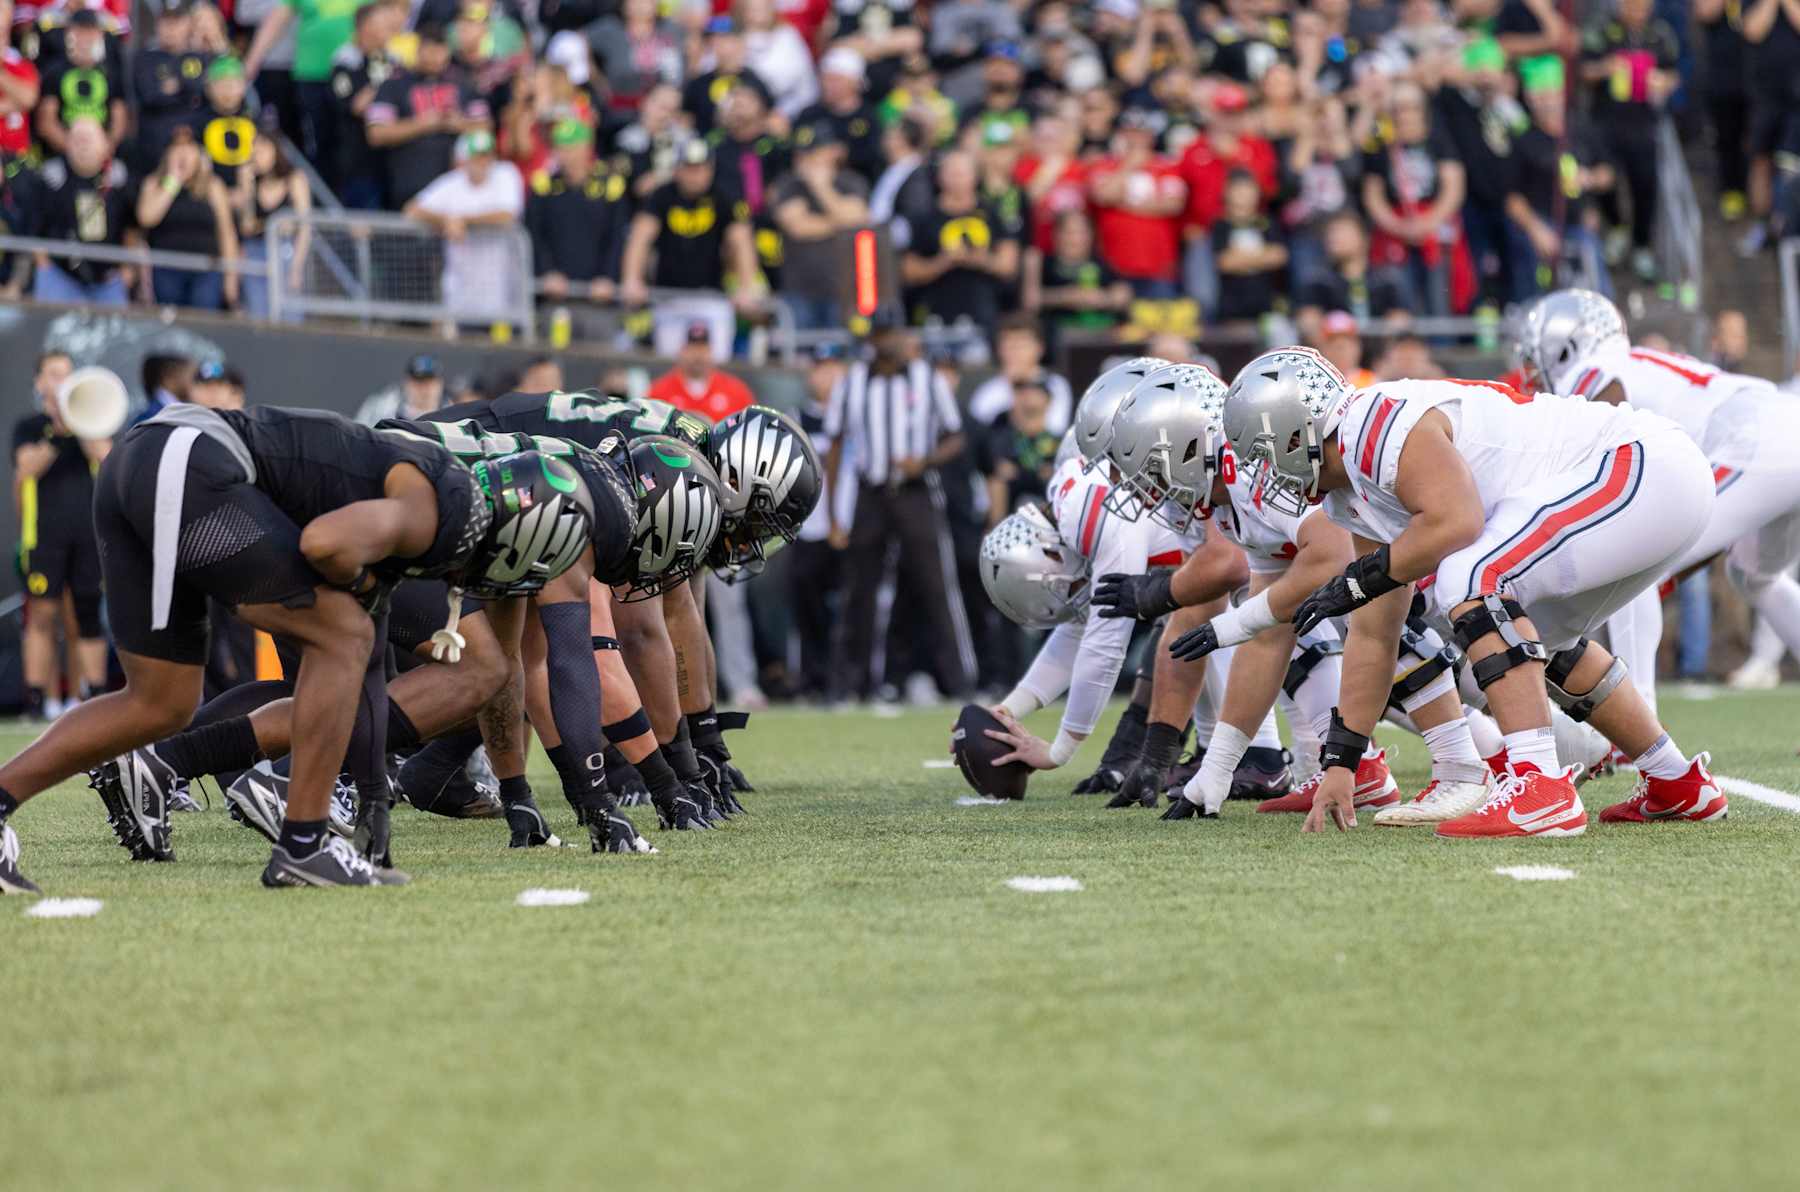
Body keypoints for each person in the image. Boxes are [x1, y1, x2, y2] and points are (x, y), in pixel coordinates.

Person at [0, 404, 584, 894]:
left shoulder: (441, 495)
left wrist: (377, 793)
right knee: (345, 634)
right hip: (188, 458)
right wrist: (359, 588)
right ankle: (303, 845)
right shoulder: (444, 506)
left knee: (160, 704)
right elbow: (323, 542)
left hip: (153, 461)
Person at [1223, 347, 1722, 838]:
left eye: (1264, 454)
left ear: (1298, 431)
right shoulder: (1351, 493)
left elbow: (1456, 523)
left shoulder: (1370, 425)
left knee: (1467, 576)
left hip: (1644, 464)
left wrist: (1361, 578)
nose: (1266, 473)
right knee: (1539, 639)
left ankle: (1539, 786)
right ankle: (1676, 780)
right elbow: (1375, 637)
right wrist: (1341, 764)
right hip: (1645, 483)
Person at [1521, 289, 1800, 696]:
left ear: (1566, 345)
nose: (1532, 370)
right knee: (1754, 574)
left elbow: (1606, 434)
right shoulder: (1637, 362)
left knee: (1634, 566)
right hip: (1777, 427)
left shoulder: (1592, 371)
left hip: (1757, 441)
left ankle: (1638, 729)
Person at [824, 315, 975, 702]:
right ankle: (851, 685)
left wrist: (924, 461)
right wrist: (833, 514)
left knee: (937, 584)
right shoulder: (852, 382)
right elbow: (836, 446)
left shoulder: (928, 379)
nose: (889, 341)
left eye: (895, 332)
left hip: (916, 490)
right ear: (873, 339)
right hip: (869, 492)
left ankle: (959, 681)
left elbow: (955, 435)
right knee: (860, 588)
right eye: (882, 334)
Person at [13, 351, 108, 721]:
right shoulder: (30, 426)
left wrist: (80, 423)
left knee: (87, 613)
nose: (61, 381)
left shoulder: (91, 424)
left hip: (89, 535)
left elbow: (108, 455)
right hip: (44, 536)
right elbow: (26, 468)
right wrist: (56, 430)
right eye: (53, 374)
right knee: (42, 615)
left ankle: (95, 697)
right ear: (39, 382)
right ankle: (36, 700)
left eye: (67, 374)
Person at [618, 138, 764, 353]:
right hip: (668, 297)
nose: (695, 175)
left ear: (710, 169)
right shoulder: (662, 195)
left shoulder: (723, 196)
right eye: (689, 168)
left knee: (716, 363)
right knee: (669, 364)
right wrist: (632, 279)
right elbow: (640, 237)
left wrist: (746, 287)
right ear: (678, 169)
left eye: (701, 168)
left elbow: (741, 240)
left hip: (712, 298)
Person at [1578, 0, 1677, 281]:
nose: (1638, 11)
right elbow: (1584, 70)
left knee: (1646, 184)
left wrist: (1662, 81)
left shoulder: (1659, 33)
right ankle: (1616, 226)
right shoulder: (1601, 29)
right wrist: (1606, 68)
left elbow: (1673, 72)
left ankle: (1642, 244)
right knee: (1604, 178)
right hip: (1606, 122)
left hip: (1644, 122)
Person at [404, 129, 526, 326]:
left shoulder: (506, 173)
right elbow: (412, 210)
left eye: (487, 155)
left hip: (503, 296)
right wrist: (446, 221)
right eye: (477, 157)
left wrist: (462, 221)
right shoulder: (452, 183)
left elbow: (507, 215)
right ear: (464, 159)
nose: (484, 162)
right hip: (460, 295)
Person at [364, 22, 491, 209]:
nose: (435, 57)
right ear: (419, 49)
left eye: (440, 51)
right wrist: (423, 124)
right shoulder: (395, 84)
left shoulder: (464, 84)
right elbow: (376, 133)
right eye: (430, 50)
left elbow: (486, 126)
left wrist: (456, 123)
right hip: (405, 185)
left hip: (454, 189)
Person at [786, 342, 849, 700]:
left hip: (849, 527)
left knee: (850, 610)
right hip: (808, 526)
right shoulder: (797, 417)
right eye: (820, 368)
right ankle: (809, 678)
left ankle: (846, 680)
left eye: (834, 367)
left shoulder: (856, 416)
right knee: (806, 608)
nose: (828, 376)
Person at [900, 148, 1020, 337]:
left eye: (962, 173)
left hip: (983, 310)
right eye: (951, 172)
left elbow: (1009, 265)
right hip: (935, 311)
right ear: (940, 176)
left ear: (975, 176)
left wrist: (980, 260)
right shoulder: (923, 217)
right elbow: (908, 270)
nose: (957, 179)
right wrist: (943, 262)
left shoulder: (992, 213)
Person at [242, 0, 366, 172]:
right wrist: (251, 63)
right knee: (318, 144)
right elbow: (277, 19)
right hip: (312, 75)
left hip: (355, 75)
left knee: (351, 142)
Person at [769, 120, 870, 330]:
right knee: (798, 356)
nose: (805, 160)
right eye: (802, 153)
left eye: (814, 152)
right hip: (799, 290)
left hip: (844, 290)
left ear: (833, 152)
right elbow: (798, 228)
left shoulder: (852, 182)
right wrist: (839, 220)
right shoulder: (788, 184)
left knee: (844, 355)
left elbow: (856, 221)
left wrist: (821, 187)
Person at [25, 117, 132, 306]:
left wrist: (127, 270)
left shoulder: (118, 178)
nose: (82, 145)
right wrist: (44, 265)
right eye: (76, 138)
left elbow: (133, 228)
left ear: (105, 144)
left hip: (109, 279)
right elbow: (34, 227)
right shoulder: (51, 178)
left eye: (88, 138)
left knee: (115, 332)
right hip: (59, 274)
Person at [1086, 106, 1186, 299]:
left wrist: (1123, 204)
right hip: (1114, 264)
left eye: (1141, 133)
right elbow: (1103, 196)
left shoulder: (1167, 166)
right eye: (1129, 133)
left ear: (1151, 136)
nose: (1135, 139)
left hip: (1159, 264)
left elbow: (1173, 205)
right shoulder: (1104, 165)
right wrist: (1129, 166)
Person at [136, 128, 239, 311]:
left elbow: (226, 233)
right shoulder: (154, 183)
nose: (183, 154)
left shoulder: (213, 186)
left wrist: (231, 278)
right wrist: (173, 181)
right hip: (167, 269)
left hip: (206, 270)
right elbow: (147, 218)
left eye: (189, 148)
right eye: (177, 148)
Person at [325, 0, 404, 207]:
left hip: (391, 160)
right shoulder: (346, 61)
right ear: (365, 27)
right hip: (357, 163)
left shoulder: (393, 60)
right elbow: (356, 105)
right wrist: (382, 81)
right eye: (383, 23)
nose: (390, 28)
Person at [233, 131, 312, 321]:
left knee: (290, 316)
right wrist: (247, 188)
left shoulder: (294, 179)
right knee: (258, 314)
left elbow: (304, 227)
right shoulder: (252, 182)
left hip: (286, 252)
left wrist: (296, 268)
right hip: (257, 253)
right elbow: (247, 226)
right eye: (254, 151)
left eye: (262, 150)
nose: (256, 156)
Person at [34, 9, 123, 156]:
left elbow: (119, 118)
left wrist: (103, 150)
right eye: (80, 31)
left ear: (100, 34)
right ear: (68, 33)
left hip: (102, 153)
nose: (85, 38)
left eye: (90, 31)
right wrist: (76, 151)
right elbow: (46, 122)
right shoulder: (55, 72)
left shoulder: (111, 72)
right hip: (62, 155)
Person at [966, 313, 1074, 431]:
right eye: (1008, 345)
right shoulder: (987, 392)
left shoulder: (1056, 385)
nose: (1014, 352)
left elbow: (1055, 430)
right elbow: (983, 437)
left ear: (1039, 348)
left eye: (1021, 345)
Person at [647, 322, 755, 423]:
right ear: (682, 350)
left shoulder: (736, 391)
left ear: (711, 351)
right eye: (693, 348)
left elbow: (749, 427)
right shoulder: (659, 391)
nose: (698, 355)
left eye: (703, 348)